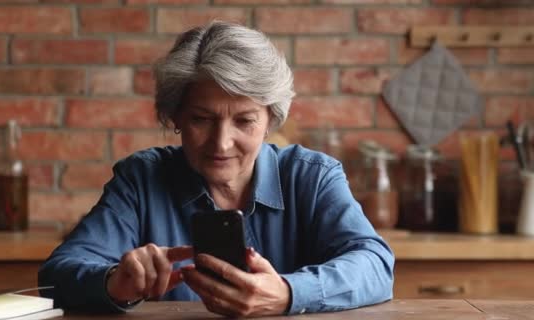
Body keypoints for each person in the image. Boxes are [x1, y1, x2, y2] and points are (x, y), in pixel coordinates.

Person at [38, 21, 394, 317]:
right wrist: (114, 282)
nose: (221, 143)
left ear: (271, 119)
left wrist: (288, 292)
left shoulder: (312, 176)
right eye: (201, 119)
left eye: (244, 121)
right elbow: (57, 275)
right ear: (175, 116)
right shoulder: (141, 179)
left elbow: (375, 265)